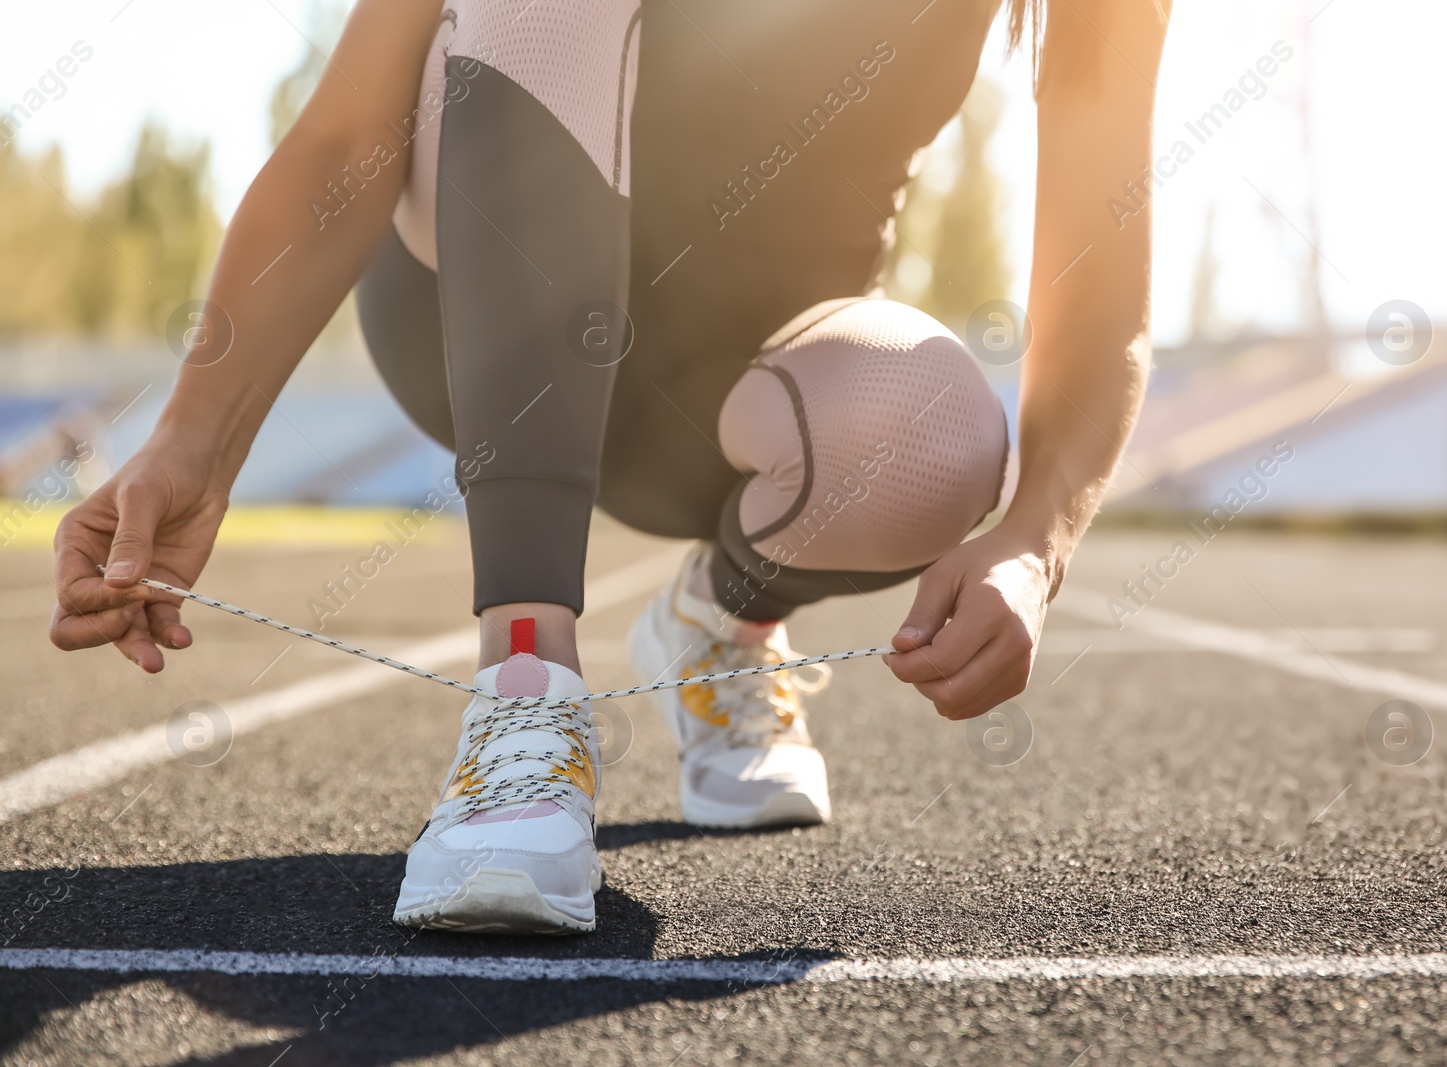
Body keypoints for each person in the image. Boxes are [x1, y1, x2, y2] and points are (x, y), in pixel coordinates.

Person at [49, 0, 1171, 934]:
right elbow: (346, 140)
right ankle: (523, 700)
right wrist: (194, 438)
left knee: (935, 433)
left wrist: (1033, 545)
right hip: (470, 314)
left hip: (735, 399)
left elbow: (1099, 274)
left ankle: (719, 625)